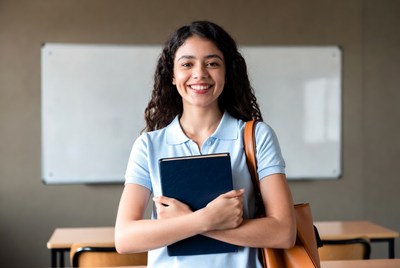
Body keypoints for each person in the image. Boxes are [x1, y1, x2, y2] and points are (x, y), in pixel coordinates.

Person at [115, 20, 296, 268]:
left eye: (212, 63)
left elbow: (283, 232)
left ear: (227, 73)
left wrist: (185, 223)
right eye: (187, 64)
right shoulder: (148, 145)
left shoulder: (257, 137)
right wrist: (206, 219)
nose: (199, 73)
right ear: (172, 75)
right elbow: (125, 238)